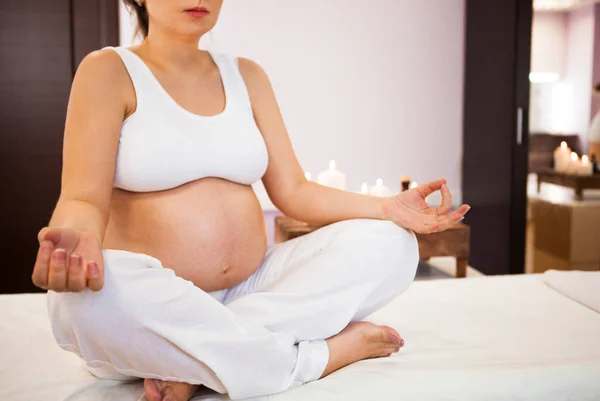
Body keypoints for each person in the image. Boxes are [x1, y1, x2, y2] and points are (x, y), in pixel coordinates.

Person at [31, 1, 471, 400]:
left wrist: (387, 209)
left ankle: (198, 361)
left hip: (250, 285)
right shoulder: (108, 70)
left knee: (392, 245)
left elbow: (294, 191)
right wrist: (77, 240)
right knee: (83, 299)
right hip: (159, 302)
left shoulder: (248, 76)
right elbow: (83, 198)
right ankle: (313, 359)